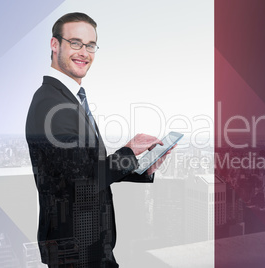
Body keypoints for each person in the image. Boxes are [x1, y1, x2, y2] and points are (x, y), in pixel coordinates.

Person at [26, 12, 172, 268]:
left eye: (90, 45)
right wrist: (129, 149)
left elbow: (87, 164)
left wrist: (142, 169)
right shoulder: (51, 103)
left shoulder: (68, 99)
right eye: (75, 43)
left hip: (89, 246)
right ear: (54, 44)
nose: (84, 52)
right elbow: (83, 178)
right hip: (73, 250)